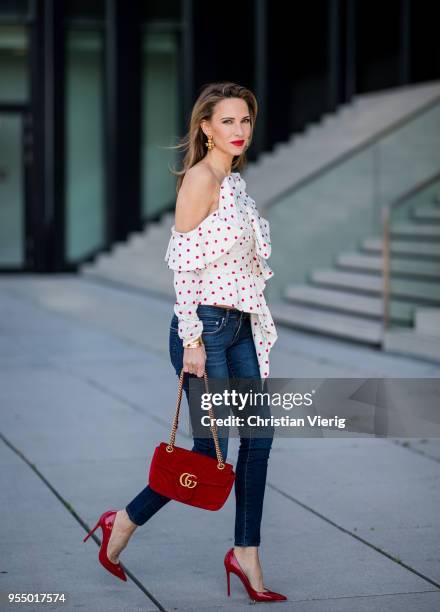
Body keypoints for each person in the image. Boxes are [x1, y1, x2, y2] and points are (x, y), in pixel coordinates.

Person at [83, 82, 286, 603]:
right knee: (206, 452)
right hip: (206, 331)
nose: (240, 131)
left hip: (239, 325)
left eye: (246, 121)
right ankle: (122, 522)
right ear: (205, 127)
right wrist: (193, 340)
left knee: (258, 442)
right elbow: (183, 268)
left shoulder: (234, 180)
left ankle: (245, 554)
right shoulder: (200, 179)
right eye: (228, 122)